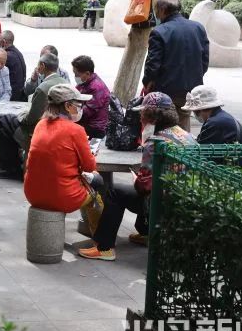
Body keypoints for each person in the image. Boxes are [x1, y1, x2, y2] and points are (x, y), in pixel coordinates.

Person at [79, 92, 197, 261]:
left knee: (115, 192)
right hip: (186, 199)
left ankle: (104, 247)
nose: (140, 118)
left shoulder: (155, 142)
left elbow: (144, 187)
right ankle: (146, 234)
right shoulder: (188, 136)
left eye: (142, 114)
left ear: (151, 117)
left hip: (161, 203)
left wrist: (137, 181)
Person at [24, 84, 97, 220]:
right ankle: (99, 233)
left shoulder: (40, 124)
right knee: (98, 186)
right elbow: (89, 167)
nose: (81, 108)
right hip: (63, 197)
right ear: (68, 106)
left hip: (32, 194)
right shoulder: (76, 130)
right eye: (79, 104)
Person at [142, 0, 209, 131]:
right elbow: (204, 60)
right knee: (183, 124)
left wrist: (147, 82)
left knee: (164, 125)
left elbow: (153, 64)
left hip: (165, 90)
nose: (156, 14)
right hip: (190, 89)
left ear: (162, 9)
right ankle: (183, 144)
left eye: (156, 10)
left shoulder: (159, 31)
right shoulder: (198, 28)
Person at [0, 52, 67, 180]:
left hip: (38, 129)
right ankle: (13, 163)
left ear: (42, 66)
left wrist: (21, 115)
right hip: (59, 127)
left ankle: (10, 167)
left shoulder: (43, 88)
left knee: (6, 120)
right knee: (10, 120)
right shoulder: (65, 83)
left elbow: (31, 119)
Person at [181, 85, 242, 173]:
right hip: (239, 169)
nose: (194, 114)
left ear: (200, 109)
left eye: (194, 111)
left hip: (233, 173)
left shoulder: (215, 123)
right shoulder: (221, 117)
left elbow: (200, 153)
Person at [72, 55, 111, 139]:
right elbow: (74, 94)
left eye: (77, 74)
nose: (75, 77)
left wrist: (69, 112)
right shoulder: (84, 82)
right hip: (84, 122)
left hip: (94, 128)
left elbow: (87, 112)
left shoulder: (97, 88)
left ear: (87, 73)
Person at [0, 30, 27, 102]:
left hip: (12, 96)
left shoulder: (6, 56)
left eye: (0, 41)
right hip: (20, 93)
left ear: (3, 42)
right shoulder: (18, 52)